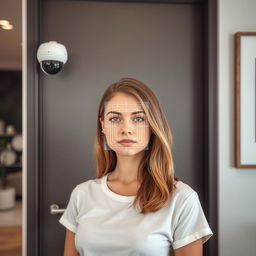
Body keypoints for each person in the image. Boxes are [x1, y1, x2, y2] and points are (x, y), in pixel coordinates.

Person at [59, 77, 213, 256]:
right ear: (103, 125)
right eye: (115, 118)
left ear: (152, 126)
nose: (126, 129)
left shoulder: (182, 198)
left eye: (138, 118)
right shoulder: (82, 194)